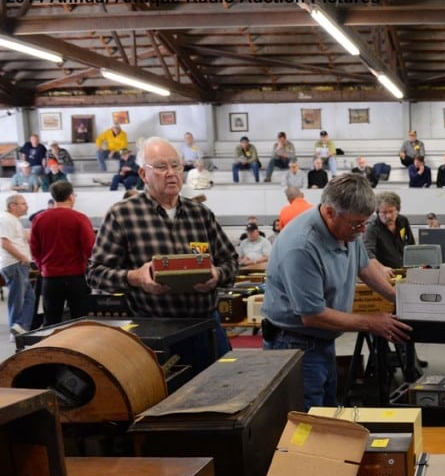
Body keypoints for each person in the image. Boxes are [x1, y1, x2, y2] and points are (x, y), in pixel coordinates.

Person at [87, 137, 239, 375]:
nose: (171, 173)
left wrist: (216, 274)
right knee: (162, 403)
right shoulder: (123, 215)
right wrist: (136, 277)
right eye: (160, 167)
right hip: (154, 332)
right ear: (143, 174)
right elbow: (95, 273)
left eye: (176, 165)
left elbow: (231, 262)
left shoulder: (200, 214)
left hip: (206, 327)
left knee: (218, 396)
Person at [261, 174, 412, 408]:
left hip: (322, 342)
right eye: (356, 224)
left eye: (365, 222)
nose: (362, 230)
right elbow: (312, 315)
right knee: (307, 422)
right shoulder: (302, 246)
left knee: (327, 413)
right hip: (294, 346)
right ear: (330, 212)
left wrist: (400, 298)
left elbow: (365, 267)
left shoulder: (348, 228)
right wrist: (371, 323)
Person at [28, 181, 95, 326]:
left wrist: (43, 266)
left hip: (50, 277)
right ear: (71, 197)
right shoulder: (80, 218)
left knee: (51, 321)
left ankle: (53, 348)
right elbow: (89, 247)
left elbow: (34, 249)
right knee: (80, 320)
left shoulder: (39, 219)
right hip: (75, 277)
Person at [1, 194, 35, 338]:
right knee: (17, 299)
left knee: (30, 298)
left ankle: (20, 327)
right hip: (14, 264)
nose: (26, 206)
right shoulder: (6, 219)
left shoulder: (14, 220)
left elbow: (23, 239)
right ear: (12, 206)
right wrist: (22, 257)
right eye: (22, 203)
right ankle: (16, 330)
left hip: (18, 264)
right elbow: (4, 242)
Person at [363, 191, 414, 270]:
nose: (388, 216)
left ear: (397, 210)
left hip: (404, 269)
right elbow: (367, 252)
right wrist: (381, 268)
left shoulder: (403, 221)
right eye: (384, 212)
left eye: (391, 211)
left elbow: (411, 243)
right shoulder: (372, 228)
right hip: (384, 273)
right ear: (377, 212)